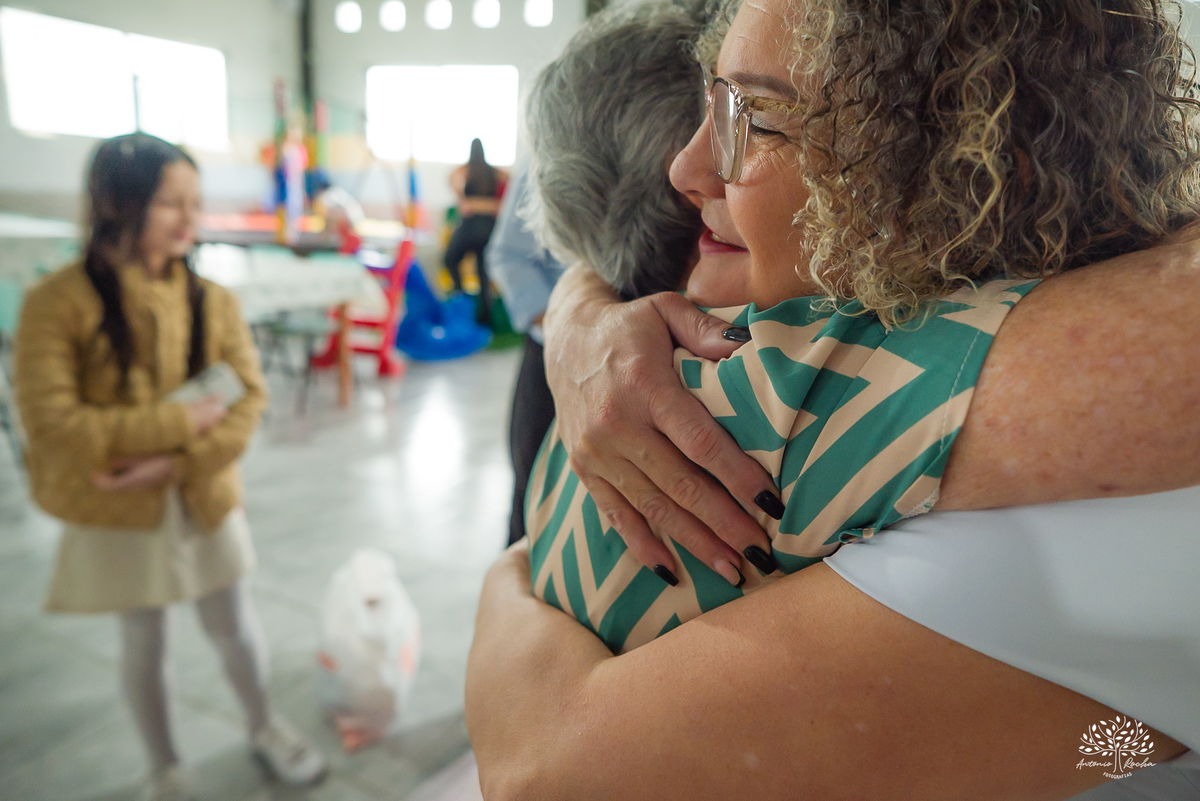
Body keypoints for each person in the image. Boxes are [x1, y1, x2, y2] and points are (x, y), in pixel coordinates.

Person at [466, 0, 1200, 797]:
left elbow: (541, 768)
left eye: (760, 119)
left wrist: (504, 580)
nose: (684, 169)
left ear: (969, 167)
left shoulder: (955, 471)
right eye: (712, 103)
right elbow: (1118, 734)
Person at [14, 133, 326, 801]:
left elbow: (247, 400)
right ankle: (166, 769)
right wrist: (181, 422)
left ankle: (265, 724)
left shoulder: (212, 299)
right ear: (116, 205)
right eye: (169, 203)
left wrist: (176, 463)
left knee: (235, 624)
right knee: (144, 637)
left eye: (195, 202)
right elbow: (54, 424)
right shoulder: (56, 302)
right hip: (116, 503)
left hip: (202, 492)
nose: (190, 219)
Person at [485, 160, 566, 546]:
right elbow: (508, 254)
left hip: (656, 357)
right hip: (552, 351)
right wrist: (565, 327)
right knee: (534, 496)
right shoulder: (547, 151)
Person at [444, 138, 509, 325]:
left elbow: (451, 177)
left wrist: (466, 200)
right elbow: (509, 182)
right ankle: (484, 318)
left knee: (450, 259)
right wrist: (489, 205)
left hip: (471, 227)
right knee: (483, 274)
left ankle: (461, 299)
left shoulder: (467, 170)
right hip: (488, 229)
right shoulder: (495, 172)